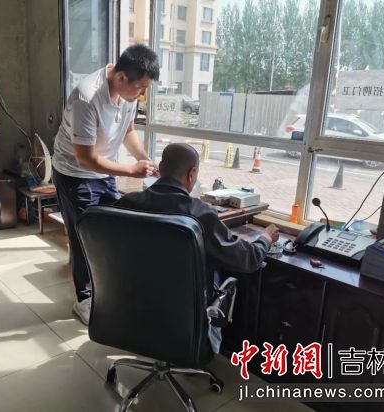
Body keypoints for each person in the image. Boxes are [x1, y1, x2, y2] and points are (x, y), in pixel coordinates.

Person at [115, 143, 279, 352]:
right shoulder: (200, 213)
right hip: (182, 314)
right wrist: (265, 238)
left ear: (161, 168)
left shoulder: (127, 203)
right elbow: (248, 260)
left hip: (134, 303)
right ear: (191, 174)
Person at [52, 44, 160, 325]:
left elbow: (128, 130)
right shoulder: (87, 97)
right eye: (140, 88)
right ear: (121, 77)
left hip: (103, 171)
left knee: (112, 230)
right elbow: (85, 159)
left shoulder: (127, 93)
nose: (142, 94)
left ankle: (109, 288)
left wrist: (144, 159)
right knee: (84, 237)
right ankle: (85, 299)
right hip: (74, 173)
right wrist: (130, 170)